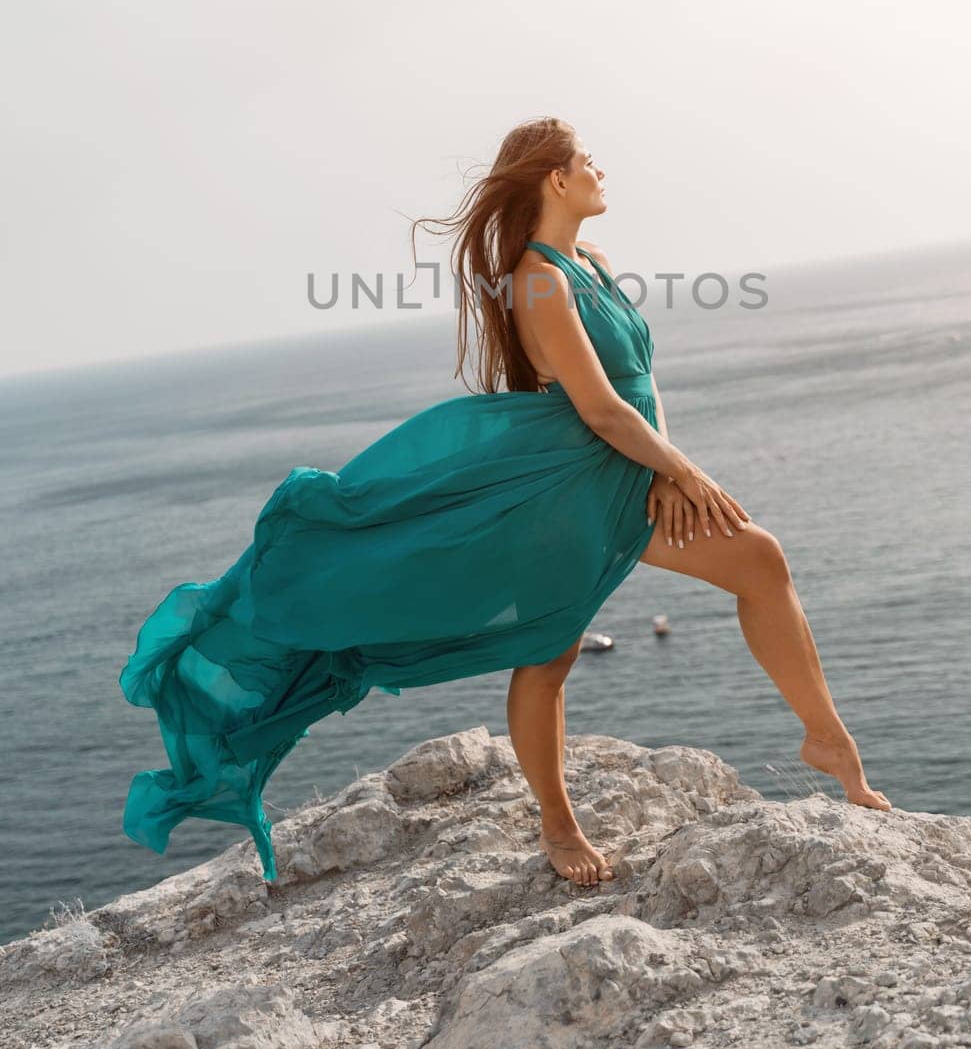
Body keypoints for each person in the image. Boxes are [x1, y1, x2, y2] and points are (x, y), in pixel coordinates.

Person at [120, 115, 889, 893]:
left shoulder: (589, 261)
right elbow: (598, 408)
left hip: (622, 468)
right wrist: (685, 472)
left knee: (757, 561)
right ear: (556, 179)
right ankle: (557, 823)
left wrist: (662, 469)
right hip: (566, 482)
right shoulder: (537, 279)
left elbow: (640, 389)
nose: (600, 171)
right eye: (588, 160)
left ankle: (826, 742)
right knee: (549, 649)